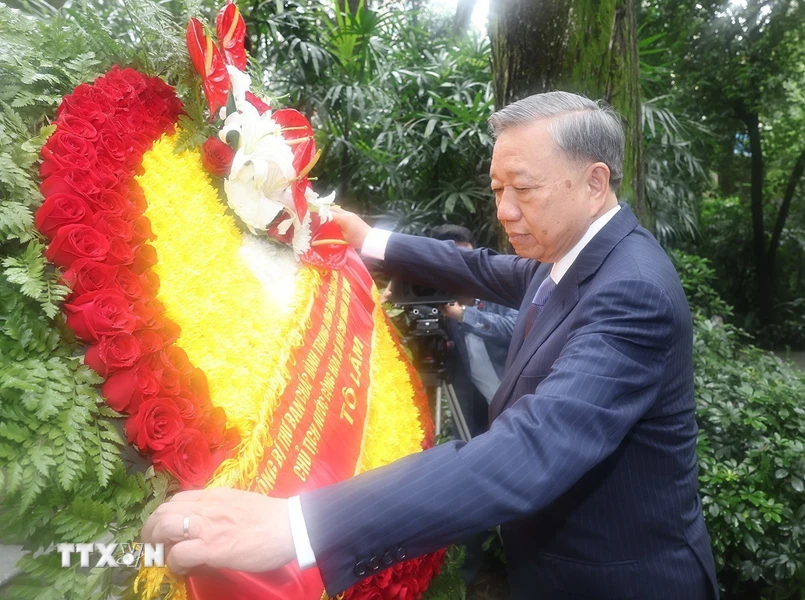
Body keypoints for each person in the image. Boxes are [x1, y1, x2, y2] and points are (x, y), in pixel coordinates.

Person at [143, 91, 720, 600]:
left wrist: (299, 525)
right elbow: (492, 270)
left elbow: (532, 449)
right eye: (497, 188)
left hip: (618, 581)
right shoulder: (571, 253)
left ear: (595, 182)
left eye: (523, 189)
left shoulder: (632, 291)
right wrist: (373, 241)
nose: (505, 212)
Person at [430, 224, 518, 437]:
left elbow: (517, 327)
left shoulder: (499, 288)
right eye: (453, 260)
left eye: (467, 259)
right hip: (477, 416)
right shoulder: (432, 300)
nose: (462, 267)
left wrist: (463, 315)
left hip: (520, 398)